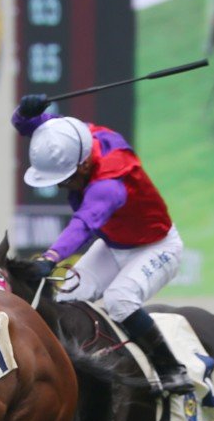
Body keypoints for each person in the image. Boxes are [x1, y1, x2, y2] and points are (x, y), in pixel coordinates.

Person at [13, 95, 194, 394]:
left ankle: (172, 370)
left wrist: (51, 257)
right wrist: (23, 114)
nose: (59, 186)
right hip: (114, 244)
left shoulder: (109, 184)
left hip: (157, 247)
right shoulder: (79, 138)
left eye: (64, 180)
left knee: (119, 300)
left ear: (83, 166)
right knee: (66, 297)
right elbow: (42, 130)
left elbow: (84, 224)